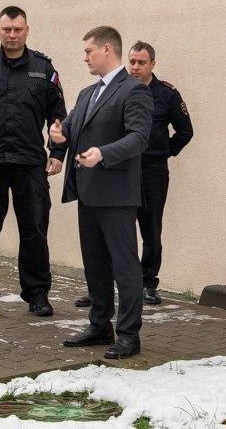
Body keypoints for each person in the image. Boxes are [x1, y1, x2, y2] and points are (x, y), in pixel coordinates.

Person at [49, 26, 153, 359]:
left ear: (107, 49)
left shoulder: (133, 90)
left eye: (88, 51)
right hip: (88, 192)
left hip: (117, 195)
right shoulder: (86, 94)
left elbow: (139, 138)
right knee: (95, 265)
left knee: (125, 266)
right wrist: (59, 136)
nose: (85, 58)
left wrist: (103, 154)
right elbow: (69, 130)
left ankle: (128, 334)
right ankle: (99, 325)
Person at [72, 41, 194, 308]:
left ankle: (148, 283)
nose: (136, 67)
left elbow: (185, 131)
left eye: (142, 63)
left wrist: (163, 152)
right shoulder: (118, 91)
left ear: (153, 64)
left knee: (150, 228)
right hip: (121, 170)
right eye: (132, 62)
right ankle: (102, 287)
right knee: (111, 231)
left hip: (150, 171)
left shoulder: (167, 94)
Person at [0, 6, 67, 319]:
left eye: (18, 30)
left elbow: (58, 117)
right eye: (7, 30)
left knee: (34, 230)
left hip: (29, 163)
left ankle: (37, 294)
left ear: (27, 31)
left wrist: (57, 153)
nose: (12, 35)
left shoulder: (43, 68)